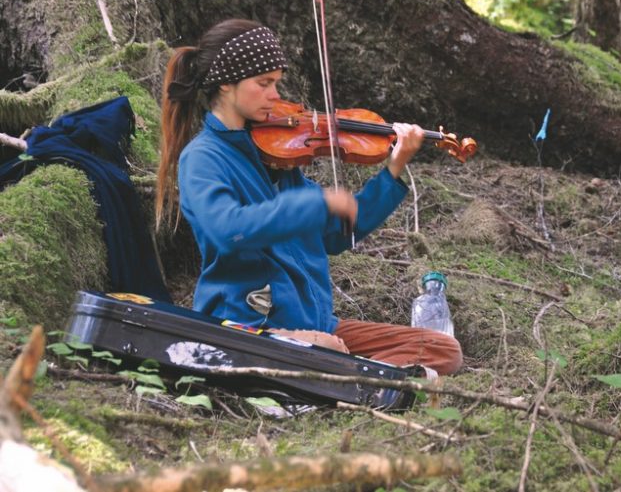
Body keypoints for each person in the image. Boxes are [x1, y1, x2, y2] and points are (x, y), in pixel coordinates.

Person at [155, 19, 462, 375]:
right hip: (249, 326)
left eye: (277, 83)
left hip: (317, 325)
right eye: (264, 83)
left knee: (441, 349)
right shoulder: (204, 158)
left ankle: (336, 368)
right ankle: (336, 368)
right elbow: (228, 230)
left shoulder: (276, 157)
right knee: (327, 352)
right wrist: (315, 204)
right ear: (226, 83)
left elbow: (338, 233)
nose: (276, 95)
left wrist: (393, 170)